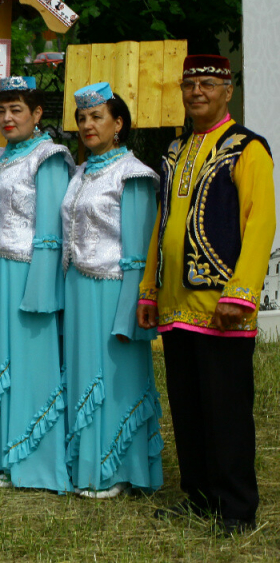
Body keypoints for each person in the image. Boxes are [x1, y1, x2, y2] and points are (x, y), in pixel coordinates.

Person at [138, 55, 274, 534]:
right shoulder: (175, 151)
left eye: (208, 85)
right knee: (189, 404)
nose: (197, 92)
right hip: (176, 302)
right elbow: (161, 224)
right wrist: (149, 289)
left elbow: (261, 222)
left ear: (227, 90)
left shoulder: (246, 148)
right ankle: (198, 496)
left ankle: (236, 507)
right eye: (190, 84)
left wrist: (241, 292)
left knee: (227, 409)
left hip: (221, 304)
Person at [61, 82, 163, 498]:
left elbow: (139, 253)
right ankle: (87, 465)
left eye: (97, 117)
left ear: (118, 123)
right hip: (78, 288)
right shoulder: (81, 172)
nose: (88, 125)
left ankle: (120, 468)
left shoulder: (134, 174)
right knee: (86, 375)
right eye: (82, 118)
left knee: (117, 379)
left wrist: (132, 308)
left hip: (113, 291)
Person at [0, 76, 74, 492]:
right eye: (2, 110)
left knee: (31, 362)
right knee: (0, 358)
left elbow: (52, 228)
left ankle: (35, 460)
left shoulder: (49, 157)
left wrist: (42, 286)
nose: (7, 118)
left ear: (37, 114)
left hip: (28, 269)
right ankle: (1, 455)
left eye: (16, 110)